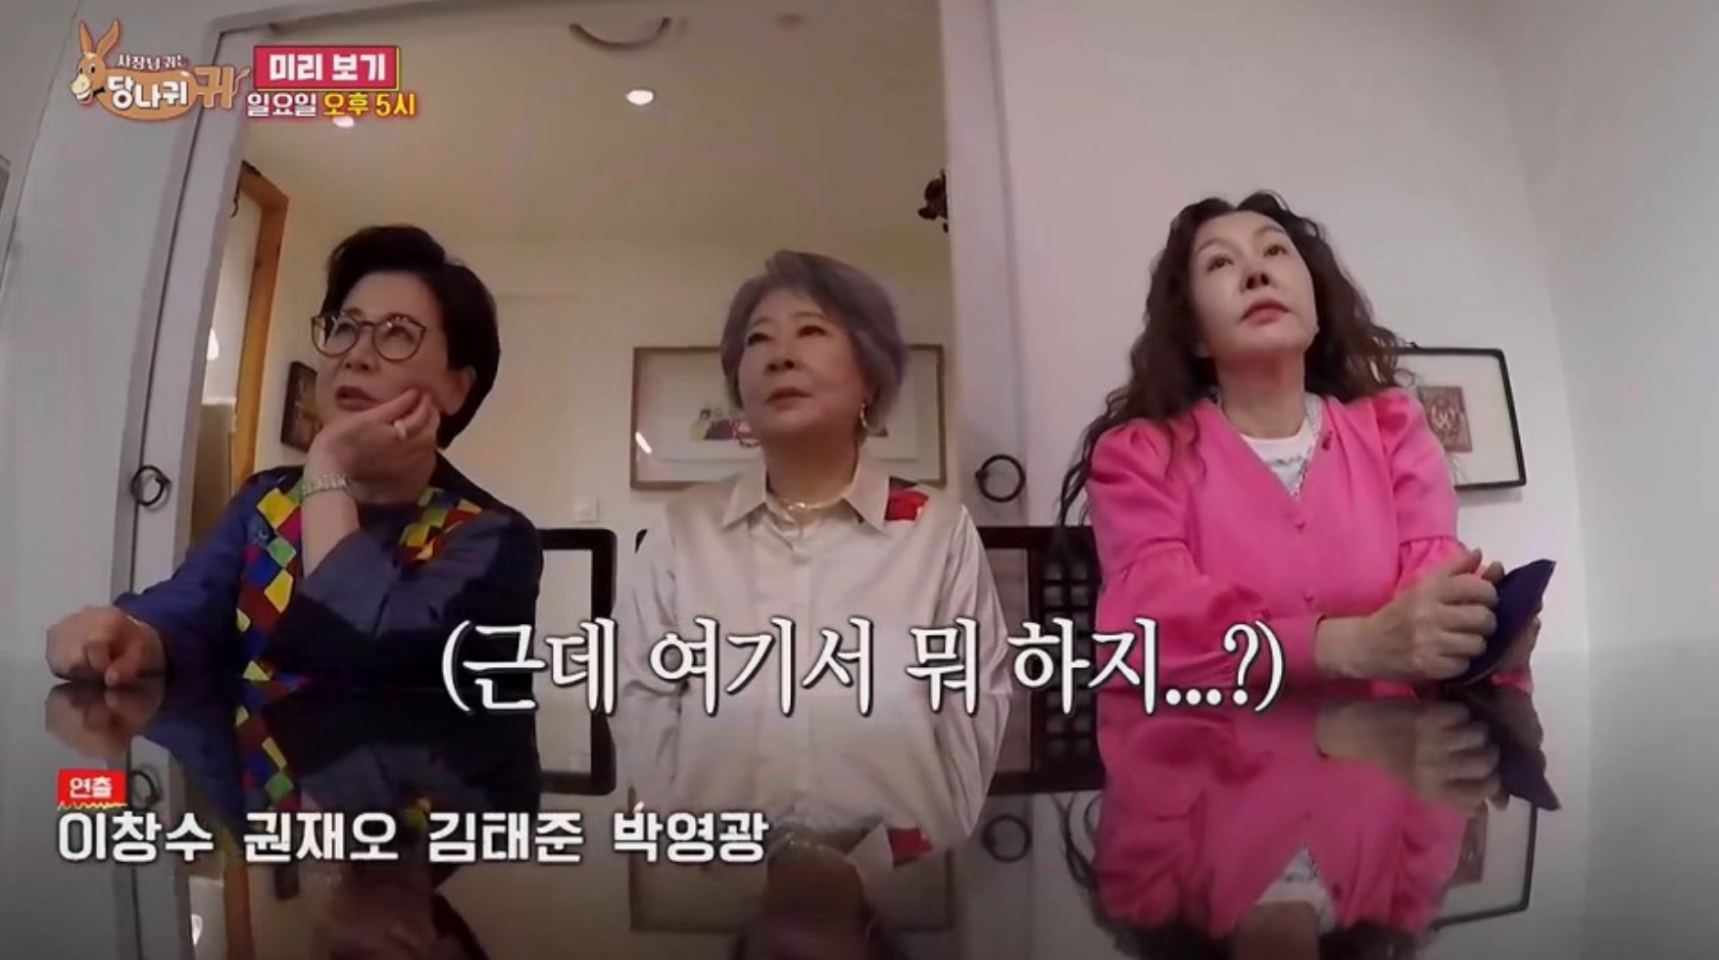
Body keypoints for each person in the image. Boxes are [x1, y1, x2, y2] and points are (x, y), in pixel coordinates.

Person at [615, 250, 1012, 957]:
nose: (779, 356)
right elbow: (639, 689)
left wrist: (942, 810)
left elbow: (975, 694)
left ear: (870, 377)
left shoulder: (934, 527)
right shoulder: (683, 529)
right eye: (758, 340)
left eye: (810, 331)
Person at [1057, 192, 1538, 695]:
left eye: (1274, 251)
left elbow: (1431, 620)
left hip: (1394, 742)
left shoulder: (1393, 431)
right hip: (1214, 744)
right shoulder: (1140, 457)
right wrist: (1349, 645)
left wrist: (1485, 646)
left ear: (1317, 309)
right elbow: (1148, 637)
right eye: (1220, 263)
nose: (1256, 274)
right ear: (1195, 334)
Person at [45, 225, 542, 689]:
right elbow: (189, 608)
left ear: (456, 387)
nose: (355, 354)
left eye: (397, 332)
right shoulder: (266, 502)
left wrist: (328, 469)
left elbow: (364, 669)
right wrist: (134, 636)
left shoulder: (492, 539)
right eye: (345, 327)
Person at [1061, 691, 1541, 959]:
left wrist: (1333, 730)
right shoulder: (1403, 895)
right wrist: (1511, 692)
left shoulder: (1149, 891)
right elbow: (1450, 707)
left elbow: (1161, 722)